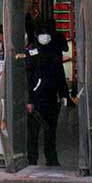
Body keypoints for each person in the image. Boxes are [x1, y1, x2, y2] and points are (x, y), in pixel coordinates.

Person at [25, 23, 69, 167]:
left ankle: (51, 158)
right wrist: (29, 99)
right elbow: (28, 77)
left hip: (51, 96)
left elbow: (60, 74)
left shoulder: (54, 50)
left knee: (51, 130)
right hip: (36, 97)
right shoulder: (31, 52)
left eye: (47, 34)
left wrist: (64, 93)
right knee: (33, 131)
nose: (45, 37)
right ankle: (32, 158)